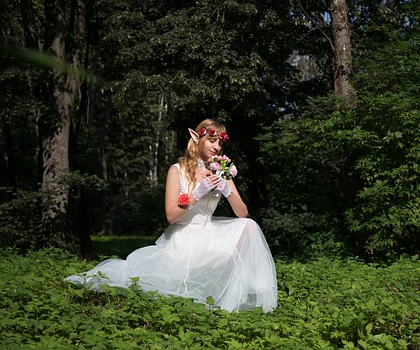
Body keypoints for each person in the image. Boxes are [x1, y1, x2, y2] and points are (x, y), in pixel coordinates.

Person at [65, 119, 278, 312]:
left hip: (210, 232)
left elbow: (242, 213)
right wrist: (197, 193)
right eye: (212, 141)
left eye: (220, 143)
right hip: (185, 238)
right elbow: (171, 216)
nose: (217, 147)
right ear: (197, 138)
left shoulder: (221, 169)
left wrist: (226, 189)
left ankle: (239, 293)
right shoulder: (177, 170)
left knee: (249, 225)